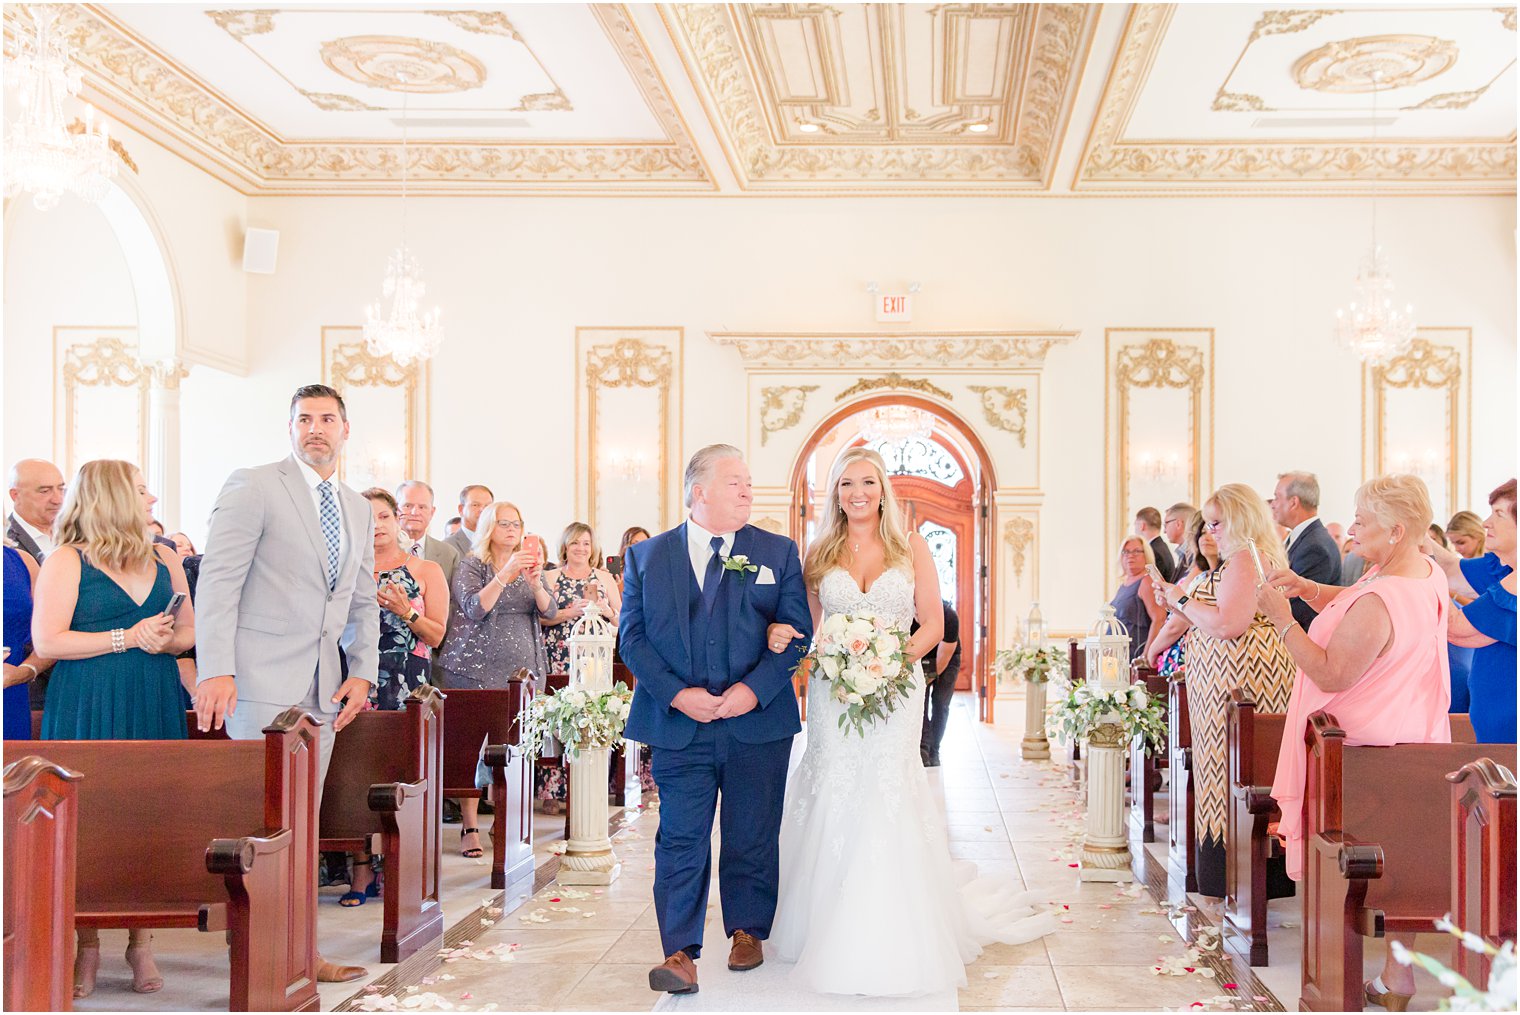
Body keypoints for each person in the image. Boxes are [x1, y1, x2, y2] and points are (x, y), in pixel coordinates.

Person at [763, 445, 1055, 999]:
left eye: (867, 482)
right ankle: (824, 917)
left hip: (893, 690)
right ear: (835, 493)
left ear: (883, 490)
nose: (857, 494)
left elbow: (931, 625)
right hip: (835, 692)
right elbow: (807, 625)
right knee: (837, 786)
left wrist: (888, 663)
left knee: (887, 791)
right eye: (846, 484)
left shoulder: (912, 545)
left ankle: (891, 920)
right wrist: (799, 644)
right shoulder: (820, 551)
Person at [192, 384, 378, 986]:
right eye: (304, 419)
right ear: (290, 427)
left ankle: (303, 951)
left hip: (323, 688)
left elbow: (363, 599)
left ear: (346, 430)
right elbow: (219, 580)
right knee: (260, 823)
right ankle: (254, 951)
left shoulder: (353, 505)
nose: (315, 429)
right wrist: (217, 667)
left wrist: (364, 671)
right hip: (258, 680)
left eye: (327, 419)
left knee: (305, 822)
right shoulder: (255, 485)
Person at [620, 445, 814, 996]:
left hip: (758, 724)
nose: (749, 491)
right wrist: (679, 695)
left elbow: (797, 631)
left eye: (749, 482)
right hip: (680, 725)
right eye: (736, 483)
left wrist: (753, 692)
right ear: (698, 491)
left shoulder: (777, 551)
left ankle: (747, 930)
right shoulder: (648, 558)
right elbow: (632, 639)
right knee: (681, 836)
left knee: (751, 832)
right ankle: (679, 951)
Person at [1261, 475, 1452, 1012]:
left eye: (1362, 521)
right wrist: (1312, 590)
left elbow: (1332, 672)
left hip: (1355, 754)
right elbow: (1365, 602)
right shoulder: (1424, 574)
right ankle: (1398, 977)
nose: (1354, 529)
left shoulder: (1384, 594)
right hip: (1410, 740)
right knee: (1404, 866)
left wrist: (1282, 621)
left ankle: (1331, 985)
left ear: (1395, 530)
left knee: (1338, 865)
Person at [32, 460, 195, 997]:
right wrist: (128, 636)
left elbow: (186, 634)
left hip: (152, 695)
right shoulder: (66, 559)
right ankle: (88, 944)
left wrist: (162, 639)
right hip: (87, 699)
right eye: (141, 490)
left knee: (150, 812)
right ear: (111, 498)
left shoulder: (164, 555)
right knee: (91, 820)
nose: (150, 499)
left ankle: (140, 942)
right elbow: (50, 642)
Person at [1150, 483, 1294, 899]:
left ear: (1241, 518)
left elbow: (1228, 625)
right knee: (1223, 770)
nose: (1210, 531)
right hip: (1228, 682)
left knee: (1231, 770)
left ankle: (1238, 876)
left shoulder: (1246, 559)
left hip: (1242, 682)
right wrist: (1179, 601)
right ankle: (1233, 875)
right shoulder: (1243, 559)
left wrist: (1179, 597)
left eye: (1217, 522)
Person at [341, 488, 449, 906]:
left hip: (407, 682)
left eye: (385, 517)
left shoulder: (424, 569)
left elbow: (437, 634)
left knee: (400, 774)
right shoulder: (346, 571)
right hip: (353, 679)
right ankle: (360, 870)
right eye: (369, 519)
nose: (378, 526)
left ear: (396, 520)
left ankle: (403, 867)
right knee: (354, 775)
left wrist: (408, 612)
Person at [435, 499, 557, 857]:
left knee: (517, 747)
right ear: (489, 527)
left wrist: (534, 582)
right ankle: (470, 825)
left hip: (524, 668)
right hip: (475, 669)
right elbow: (475, 607)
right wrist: (505, 575)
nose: (511, 530)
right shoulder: (473, 564)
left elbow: (548, 610)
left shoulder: (530, 563)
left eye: (516, 524)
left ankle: (508, 824)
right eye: (503, 523)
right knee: (474, 749)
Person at [534, 522, 623, 812]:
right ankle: (551, 789)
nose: (580, 548)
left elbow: (621, 619)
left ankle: (588, 783)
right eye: (575, 543)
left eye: (585, 543)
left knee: (589, 716)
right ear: (565, 546)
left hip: (593, 656)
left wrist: (601, 609)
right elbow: (540, 618)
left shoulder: (604, 578)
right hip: (557, 652)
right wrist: (569, 612)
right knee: (557, 718)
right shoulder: (551, 576)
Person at [1433, 480, 1517, 744]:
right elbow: (1451, 569)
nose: (1486, 523)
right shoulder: (1503, 567)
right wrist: (1416, 537)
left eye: (1498, 514)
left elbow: (1457, 630)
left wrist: (1422, 574)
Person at [395, 480, 461, 687]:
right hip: (394, 653)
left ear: (432, 512)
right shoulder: (381, 551)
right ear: (396, 510)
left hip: (437, 654)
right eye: (407, 505)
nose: (415, 512)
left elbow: (454, 605)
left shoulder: (448, 553)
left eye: (422, 507)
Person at [1145, 512, 1219, 677]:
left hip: (1208, 656)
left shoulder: (1224, 575)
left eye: (1211, 532)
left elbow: (1178, 624)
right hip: (1193, 651)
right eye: (1202, 534)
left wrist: (1152, 650)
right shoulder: (1201, 575)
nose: (1205, 538)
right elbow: (1188, 617)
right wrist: (1169, 605)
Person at [1270, 472, 1345, 632]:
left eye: (1277, 497)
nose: (1273, 504)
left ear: (1293, 502)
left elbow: (1299, 607)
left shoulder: (1315, 546)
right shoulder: (1302, 538)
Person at [4, 541, 50, 739]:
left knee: (14, 768)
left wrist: (26, 670)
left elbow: (50, 637)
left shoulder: (22, 561)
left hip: (10, 694)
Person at [916, 598, 960, 767]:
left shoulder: (949, 616)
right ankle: (923, 749)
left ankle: (934, 749)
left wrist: (929, 677)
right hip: (919, 657)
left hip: (947, 659)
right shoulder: (905, 615)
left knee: (940, 703)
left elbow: (943, 658)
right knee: (921, 703)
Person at [1111, 535, 1165, 662]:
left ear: (1146, 555)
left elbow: (1159, 619)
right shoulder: (1123, 584)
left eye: (1136, 551)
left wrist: (1145, 656)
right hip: (1118, 658)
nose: (1130, 555)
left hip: (1136, 657)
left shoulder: (1147, 581)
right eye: (1126, 552)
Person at [7, 458, 65, 563]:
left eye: (61, 489)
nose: (58, 500)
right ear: (16, 495)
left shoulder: (77, 532)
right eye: (45, 491)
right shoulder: (6, 542)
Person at [444, 484, 494, 557]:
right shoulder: (447, 547)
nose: (482, 510)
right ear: (461, 509)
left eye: (487, 506)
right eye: (475, 505)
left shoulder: (500, 543)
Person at [1134, 506, 1176, 583]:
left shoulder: (1154, 552)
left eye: (1135, 524)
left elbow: (1151, 583)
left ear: (1142, 526)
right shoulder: (1160, 546)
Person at [613, 525, 651, 593]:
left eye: (645, 544)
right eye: (635, 544)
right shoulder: (617, 574)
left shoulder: (652, 573)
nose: (641, 548)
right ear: (626, 547)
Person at [1165, 502, 1197, 574]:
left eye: (1166, 524)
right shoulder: (1183, 553)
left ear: (1178, 524)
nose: (1164, 531)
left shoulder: (1195, 554)